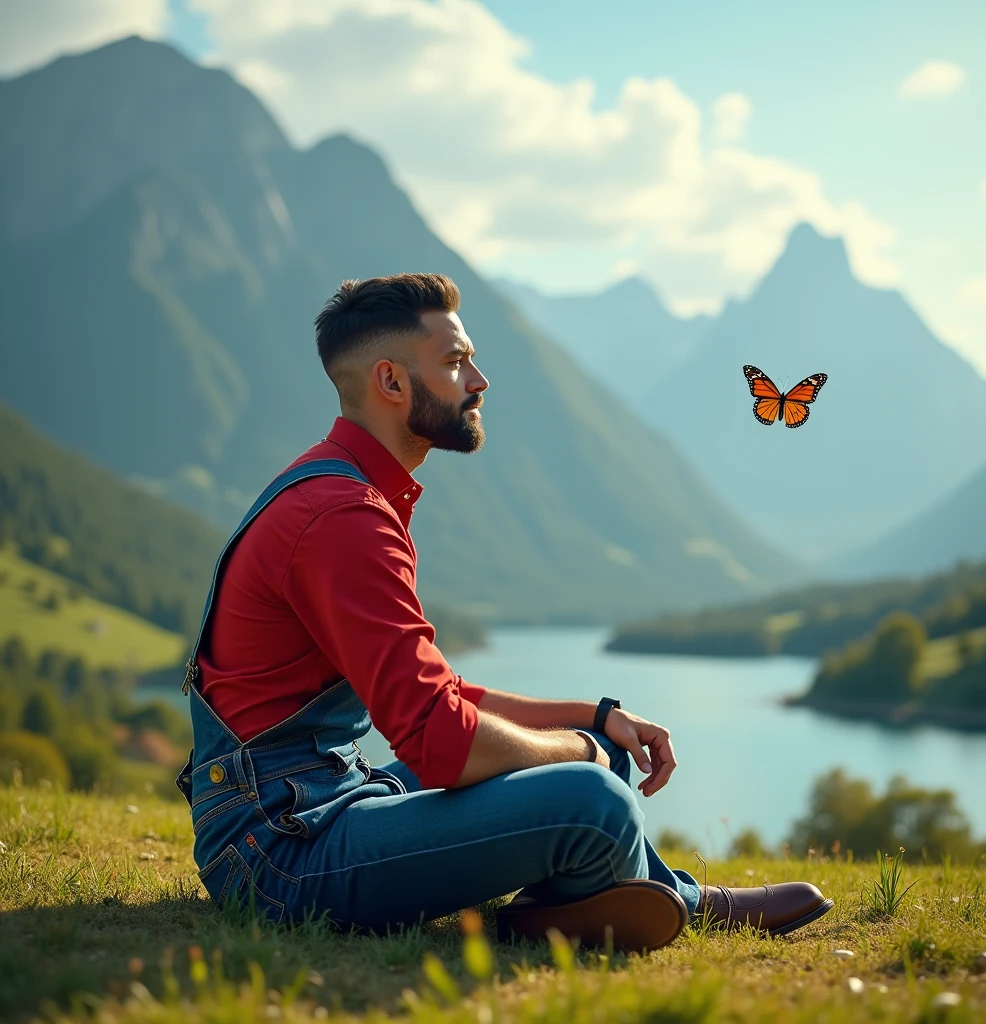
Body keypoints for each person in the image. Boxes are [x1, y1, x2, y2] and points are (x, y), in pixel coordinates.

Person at [176, 273, 833, 951]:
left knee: (604, 754)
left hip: (325, 801)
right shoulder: (344, 517)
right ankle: (649, 901)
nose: (479, 381)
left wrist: (596, 721)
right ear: (391, 383)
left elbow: (442, 697)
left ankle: (598, 898)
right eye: (457, 363)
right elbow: (441, 741)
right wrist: (579, 755)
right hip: (276, 856)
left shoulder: (349, 491)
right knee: (594, 798)